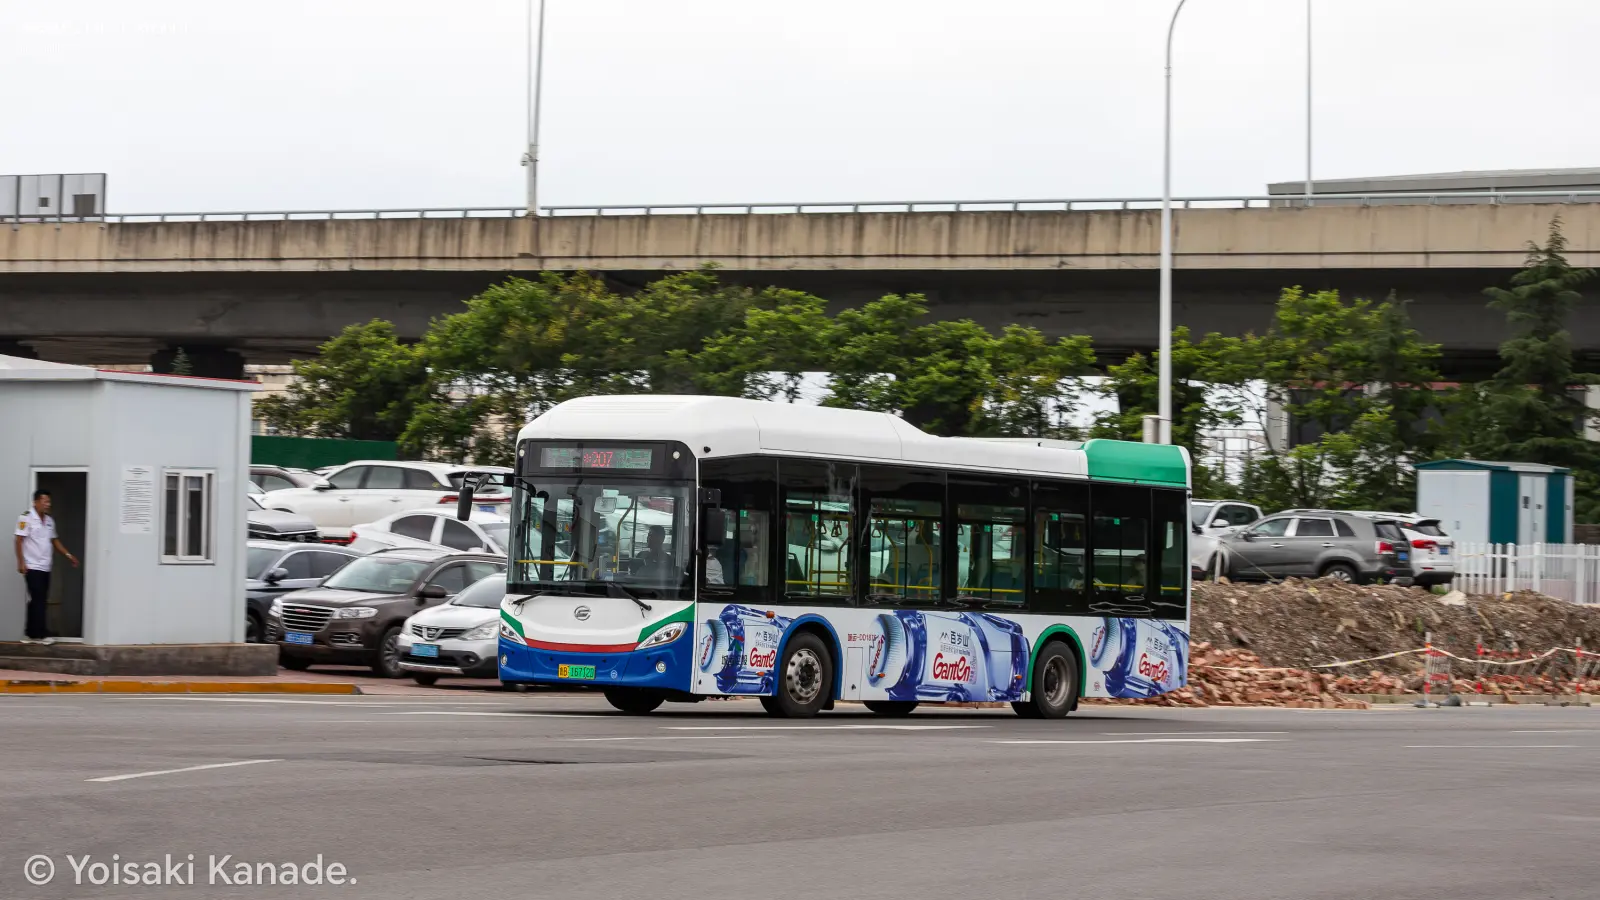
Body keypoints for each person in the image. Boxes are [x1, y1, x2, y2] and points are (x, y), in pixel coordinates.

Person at [14, 490, 78, 644]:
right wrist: (21, 562)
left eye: (49, 502)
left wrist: (69, 555)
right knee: (39, 599)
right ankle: (41, 634)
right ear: (35, 502)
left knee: (36, 599)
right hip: (32, 566)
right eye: (44, 502)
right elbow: (18, 540)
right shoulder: (26, 518)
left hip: (45, 566)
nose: (47, 505)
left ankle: (30, 633)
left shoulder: (49, 521)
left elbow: (55, 541)